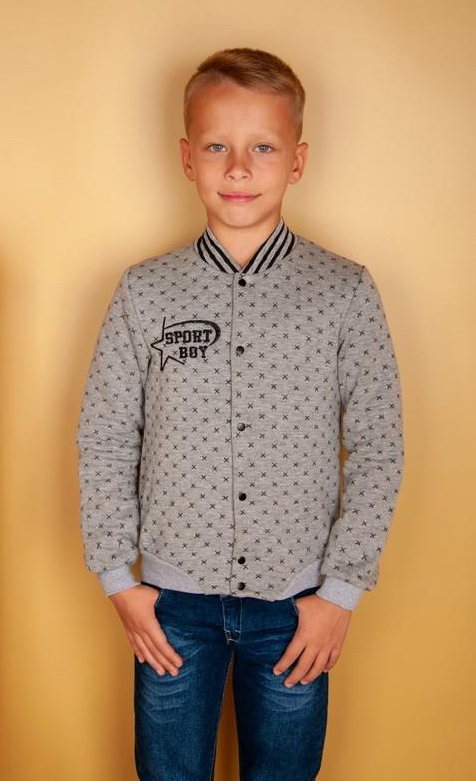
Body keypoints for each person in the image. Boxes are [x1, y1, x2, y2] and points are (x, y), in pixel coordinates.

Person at [76, 46, 405, 781]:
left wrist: (340, 594)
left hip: (299, 605)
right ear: (187, 157)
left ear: (297, 161)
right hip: (171, 609)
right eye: (217, 147)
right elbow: (106, 437)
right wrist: (118, 580)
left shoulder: (343, 292)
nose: (237, 168)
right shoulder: (145, 292)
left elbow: (378, 446)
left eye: (263, 147)